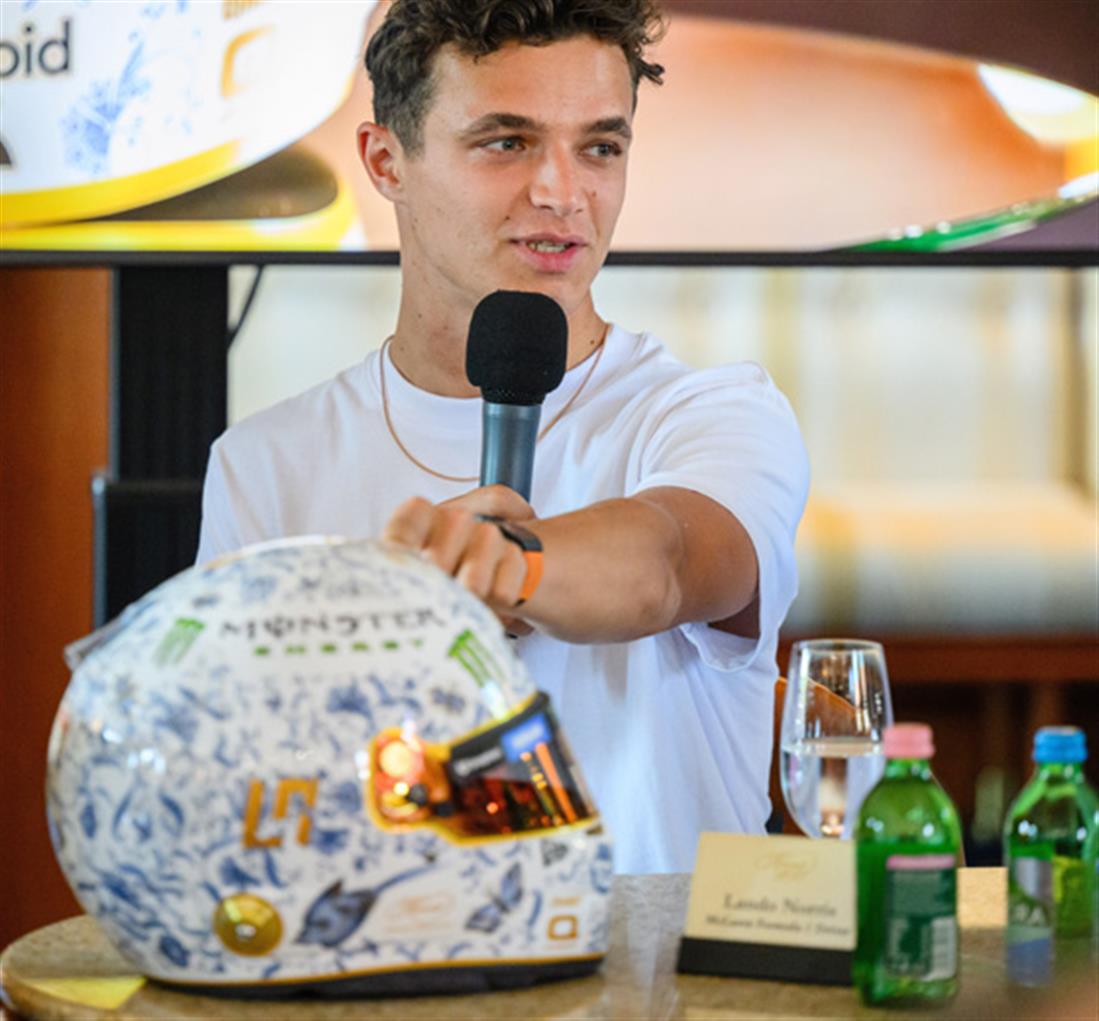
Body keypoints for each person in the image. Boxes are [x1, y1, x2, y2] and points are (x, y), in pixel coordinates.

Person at [197, 0, 809, 873]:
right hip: (386, 950)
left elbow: (667, 564)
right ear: (385, 161)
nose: (562, 192)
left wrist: (512, 566)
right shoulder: (265, 464)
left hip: (661, 960)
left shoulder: (713, 413)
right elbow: (245, 790)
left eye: (600, 148)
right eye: (506, 142)